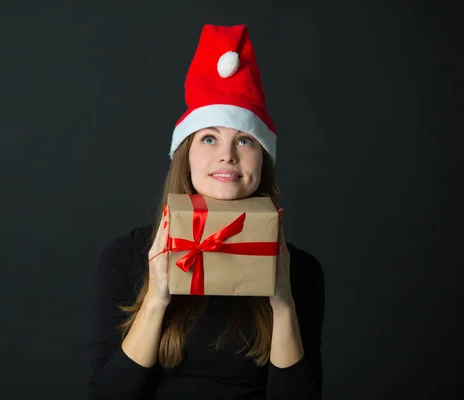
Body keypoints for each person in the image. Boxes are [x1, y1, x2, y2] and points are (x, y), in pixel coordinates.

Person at [88, 24, 325, 399]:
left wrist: (283, 302)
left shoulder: (303, 270)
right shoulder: (126, 256)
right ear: (186, 154)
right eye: (209, 137)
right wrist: (156, 298)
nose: (227, 154)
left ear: (261, 160)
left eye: (244, 139)